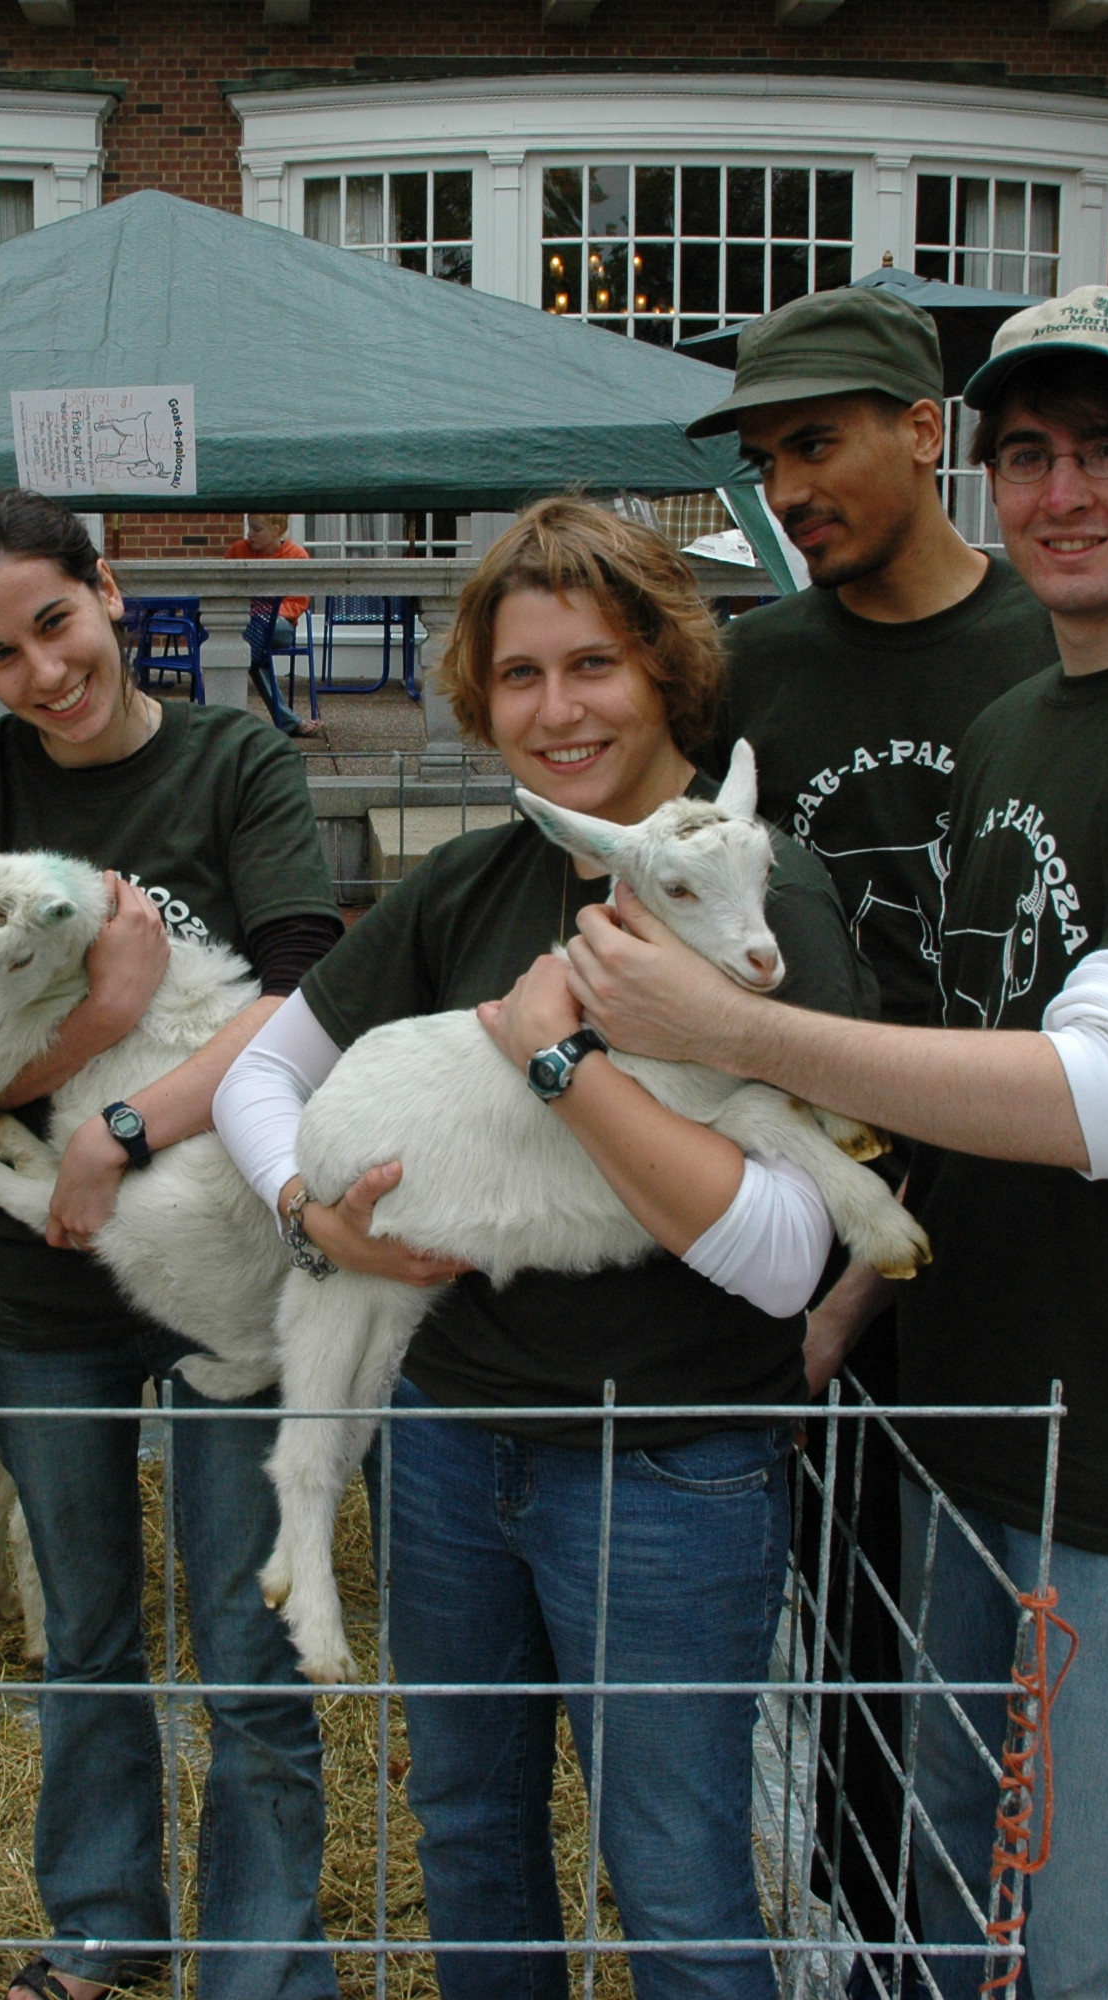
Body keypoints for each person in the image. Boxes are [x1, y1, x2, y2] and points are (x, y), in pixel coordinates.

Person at [564, 288, 1108, 2000]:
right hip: (963, 1397)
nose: (1062, 495)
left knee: (1100, 1927)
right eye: (1031, 456)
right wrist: (856, 1296)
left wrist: (735, 1034)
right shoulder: (1022, 724)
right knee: (926, 1855)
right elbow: (959, 1052)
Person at [214, 496, 876, 2000]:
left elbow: (787, 1259)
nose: (558, 710)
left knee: (677, 1877)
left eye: (594, 665)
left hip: (668, 1462)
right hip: (449, 1441)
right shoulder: (472, 881)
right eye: (520, 675)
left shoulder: (760, 897)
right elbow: (264, 1072)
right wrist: (309, 1214)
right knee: (468, 1829)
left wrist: (557, 1064)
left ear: (664, 671)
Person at [0, 488, 347, 2000]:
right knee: (84, 1629)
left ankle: (262, 1963)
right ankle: (102, 1924)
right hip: (44, 1283)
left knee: (246, 1636)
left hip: (228, 1262)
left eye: (54, 622)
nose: (42, 672)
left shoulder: (234, 763)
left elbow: (303, 997)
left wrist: (124, 1123)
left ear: (107, 586)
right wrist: (101, 1017)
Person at [684, 283, 1058, 1981]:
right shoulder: (754, 671)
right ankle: (864, 1938)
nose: (786, 490)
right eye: (764, 460)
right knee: (850, 1623)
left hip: (1024, 1229)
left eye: (815, 444)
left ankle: (973, 1939)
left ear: (925, 429)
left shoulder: (1054, 645)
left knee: (996, 1642)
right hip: (819, 1215)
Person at [225, 512, 325, 738]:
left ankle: (228, 716)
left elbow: (297, 603)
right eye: (249, 527)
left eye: (257, 529)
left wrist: (265, 614)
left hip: (280, 626)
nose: (250, 534)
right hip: (245, 626)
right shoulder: (238, 551)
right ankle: (288, 721)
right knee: (251, 647)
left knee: (248, 642)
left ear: (276, 530)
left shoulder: (296, 556)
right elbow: (224, 589)